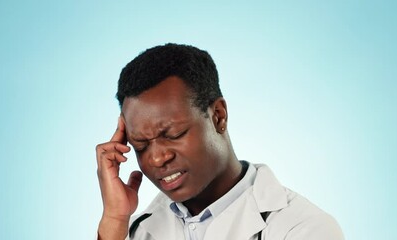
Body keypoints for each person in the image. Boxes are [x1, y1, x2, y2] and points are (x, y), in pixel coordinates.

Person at [96, 43, 344, 240]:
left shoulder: (304, 229)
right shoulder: (132, 231)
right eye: (141, 144)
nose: (158, 157)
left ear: (218, 116)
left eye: (173, 135)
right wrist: (115, 220)